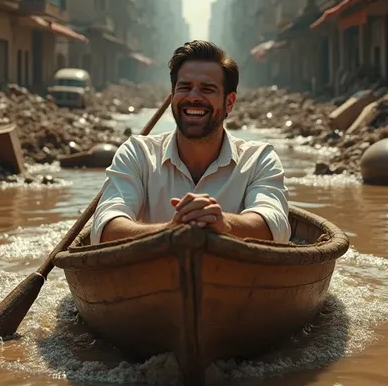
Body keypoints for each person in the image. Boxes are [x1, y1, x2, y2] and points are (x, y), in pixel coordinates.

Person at [90, 41, 291, 245]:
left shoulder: (259, 159)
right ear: (173, 97)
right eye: (185, 87)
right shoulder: (137, 153)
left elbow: (276, 226)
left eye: (207, 89)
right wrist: (169, 231)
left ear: (229, 102)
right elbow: (105, 228)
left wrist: (224, 225)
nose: (193, 97)